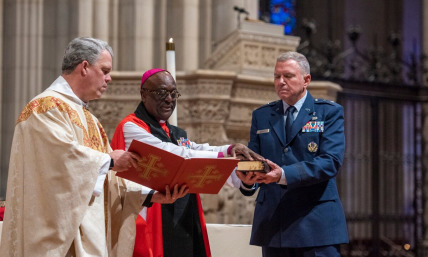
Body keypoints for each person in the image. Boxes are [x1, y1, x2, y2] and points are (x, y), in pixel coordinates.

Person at [0, 37, 156, 257]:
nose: (109, 78)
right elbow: (60, 164)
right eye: (105, 70)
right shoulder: (45, 108)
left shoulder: (90, 120)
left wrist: (151, 194)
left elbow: (105, 182)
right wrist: (110, 160)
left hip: (89, 239)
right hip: (57, 243)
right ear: (84, 67)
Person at [110, 68, 262, 257]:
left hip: (183, 219)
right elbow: (173, 154)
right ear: (143, 94)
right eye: (161, 93)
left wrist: (240, 170)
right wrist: (226, 154)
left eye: (173, 93)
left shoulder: (175, 133)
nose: (169, 99)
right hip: (150, 220)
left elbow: (196, 153)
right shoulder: (131, 127)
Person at [236, 51, 348, 257]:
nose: (281, 82)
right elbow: (256, 162)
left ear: (306, 80)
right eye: (277, 76)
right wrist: (247, 180)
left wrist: (283, 175)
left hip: (315, 223)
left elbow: (330, 162)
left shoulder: (328, 113)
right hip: (274, 224)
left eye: (288, 76)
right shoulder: (262, 115)